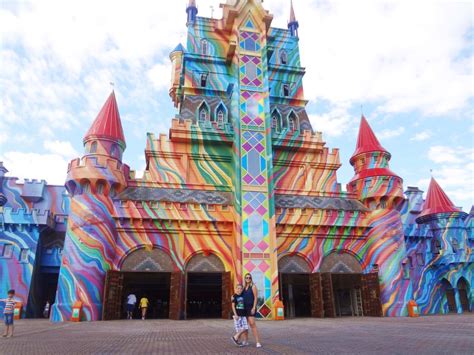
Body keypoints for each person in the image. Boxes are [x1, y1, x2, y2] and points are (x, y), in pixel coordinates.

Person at [241, 273, 262, 348]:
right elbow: (239, 295)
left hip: (250, 308)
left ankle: (257, 342)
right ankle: (245, 341)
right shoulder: (243, 287)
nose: (248, 279)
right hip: (244, 308)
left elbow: (256, 297)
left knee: (252, 324)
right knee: (244, 325)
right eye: (246, 277)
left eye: (249, 278)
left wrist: (254, 307)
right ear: (245, 279)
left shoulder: (253, 286)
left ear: (251, 278)